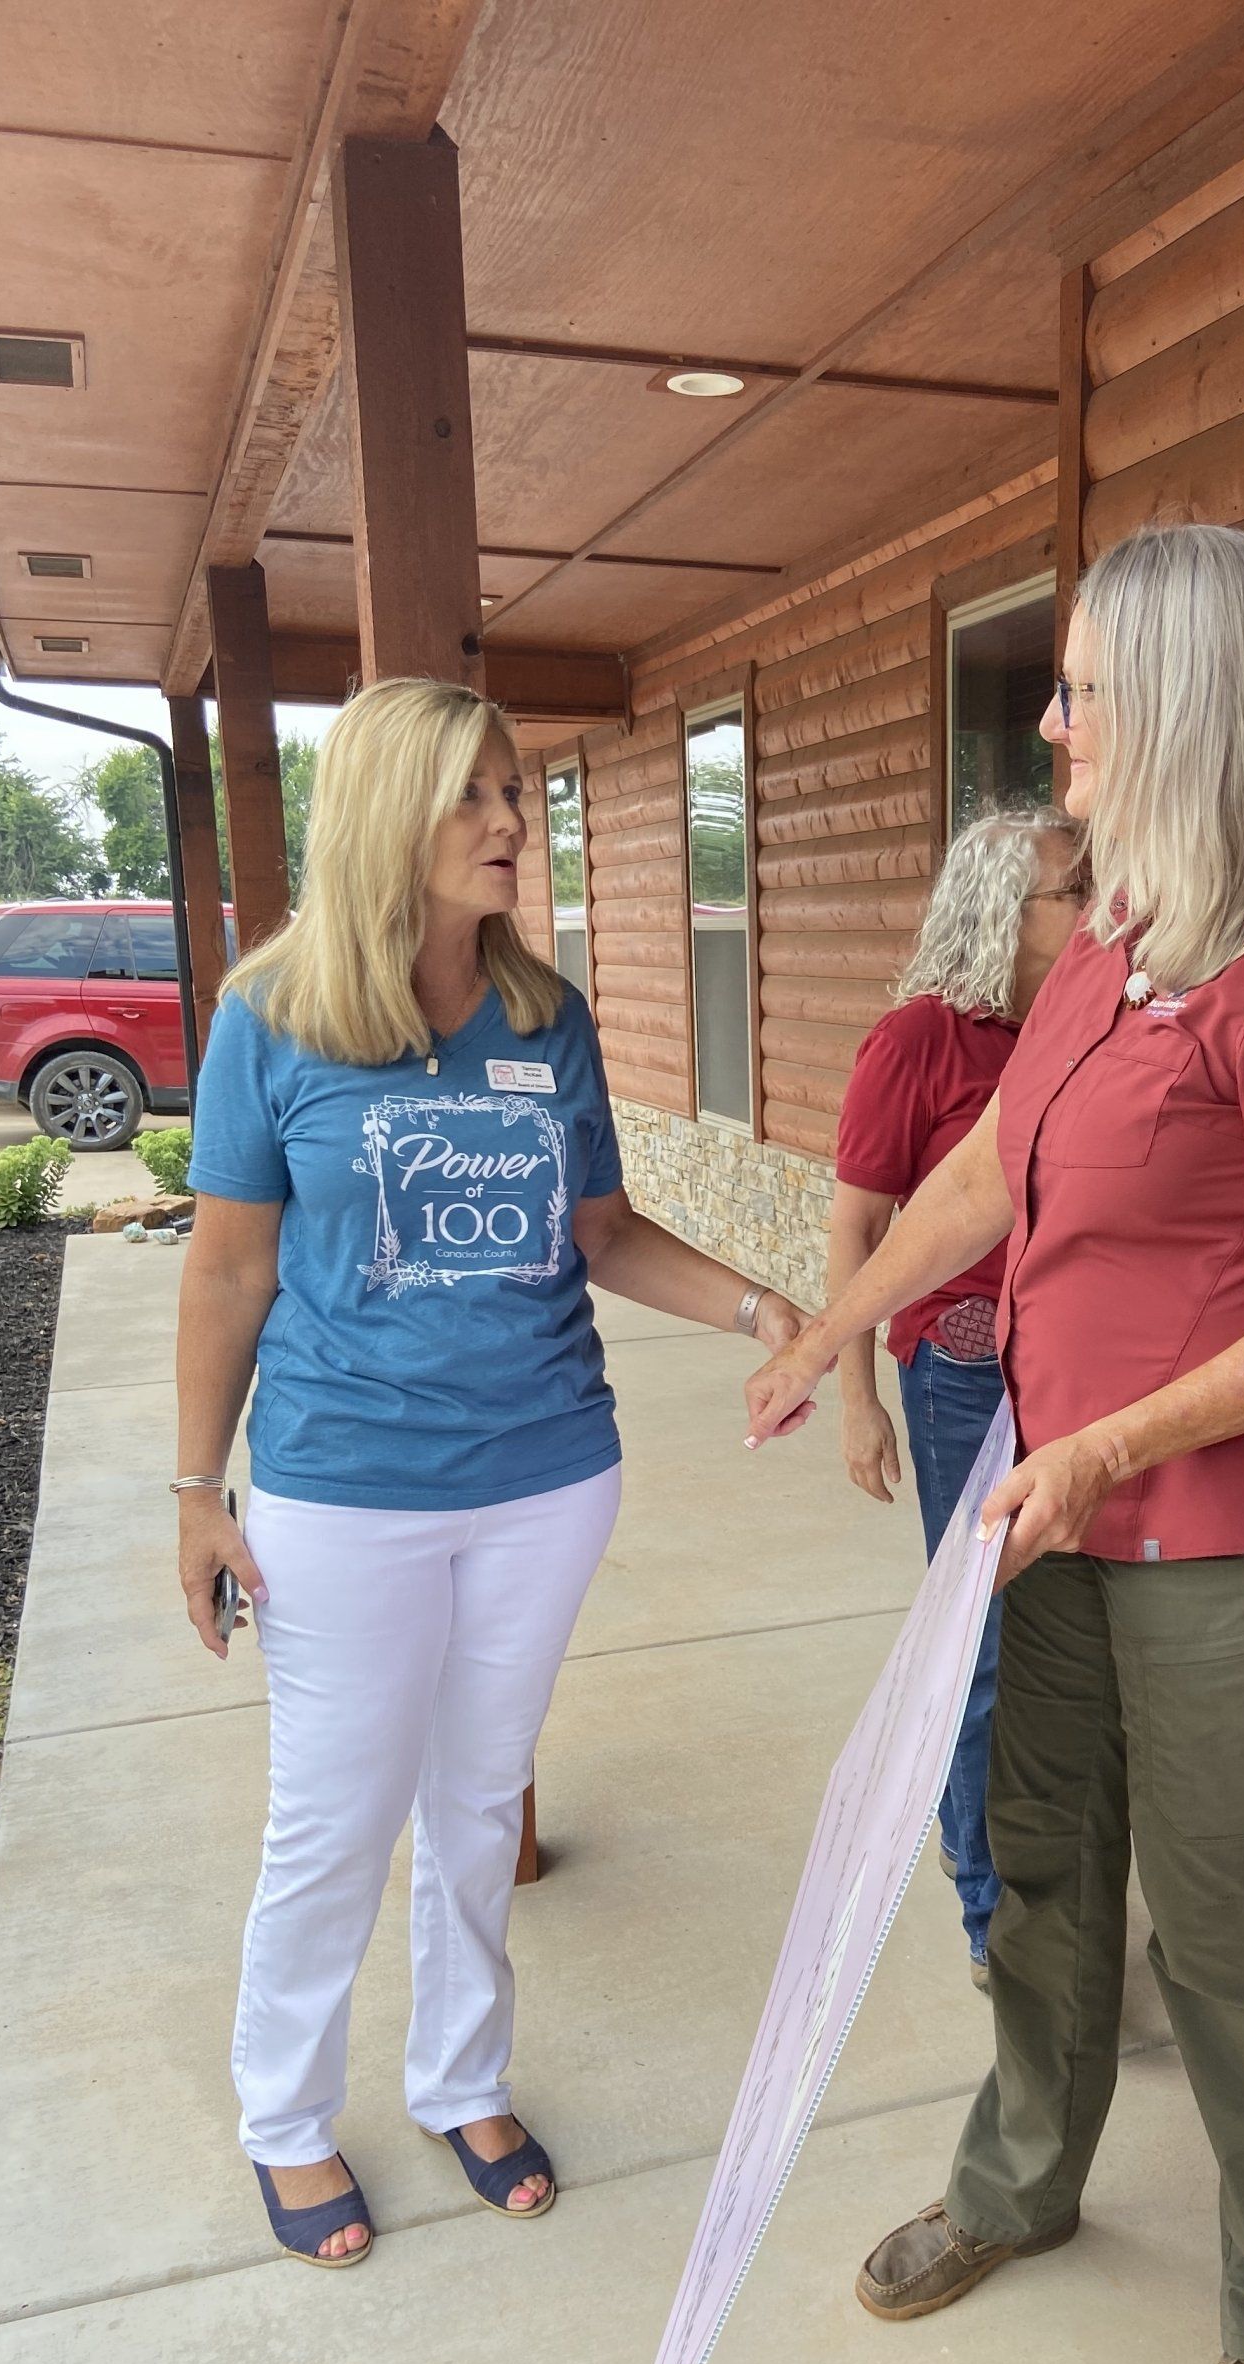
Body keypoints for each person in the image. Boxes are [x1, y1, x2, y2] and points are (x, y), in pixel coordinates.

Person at [745, 523, 1244, 2364]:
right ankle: (1023, 2178)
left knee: (1224, 1932)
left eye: (1080, 692)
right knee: (1043, 1869)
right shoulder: (1121, 935)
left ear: (1183, 705)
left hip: (1220, 1542)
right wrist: (835, 1330)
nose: (1050, 726)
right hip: (1049, 1509)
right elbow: (980, 1173)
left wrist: (1113, 1443)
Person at [176, 676, 802, 2269]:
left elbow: (597, 1233)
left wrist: (754, 1301)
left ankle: (461, 2078)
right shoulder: (272, 1017)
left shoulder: (545, 1018)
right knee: (333, 1816)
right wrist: (195, 1490)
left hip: (544, 1478)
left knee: (476, 1797)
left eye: (517, 794)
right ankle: (286, 2116)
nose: (518, 823)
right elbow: (231, 1274)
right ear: (392, 814)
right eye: (482, 797)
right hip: (342, 1489)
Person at [829, 804, 1083, 1988]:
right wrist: (857, 1395)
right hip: (965, 1377)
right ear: (1001, 910)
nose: (1090, 909)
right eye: (1065, 893)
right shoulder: (922, 1040)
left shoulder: (1084, 1029)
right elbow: (860, 1226)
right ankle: (991, 1909)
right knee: (979, 1645)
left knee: (1063, 1649)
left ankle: (1038, 1874)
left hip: (1080, 1372)